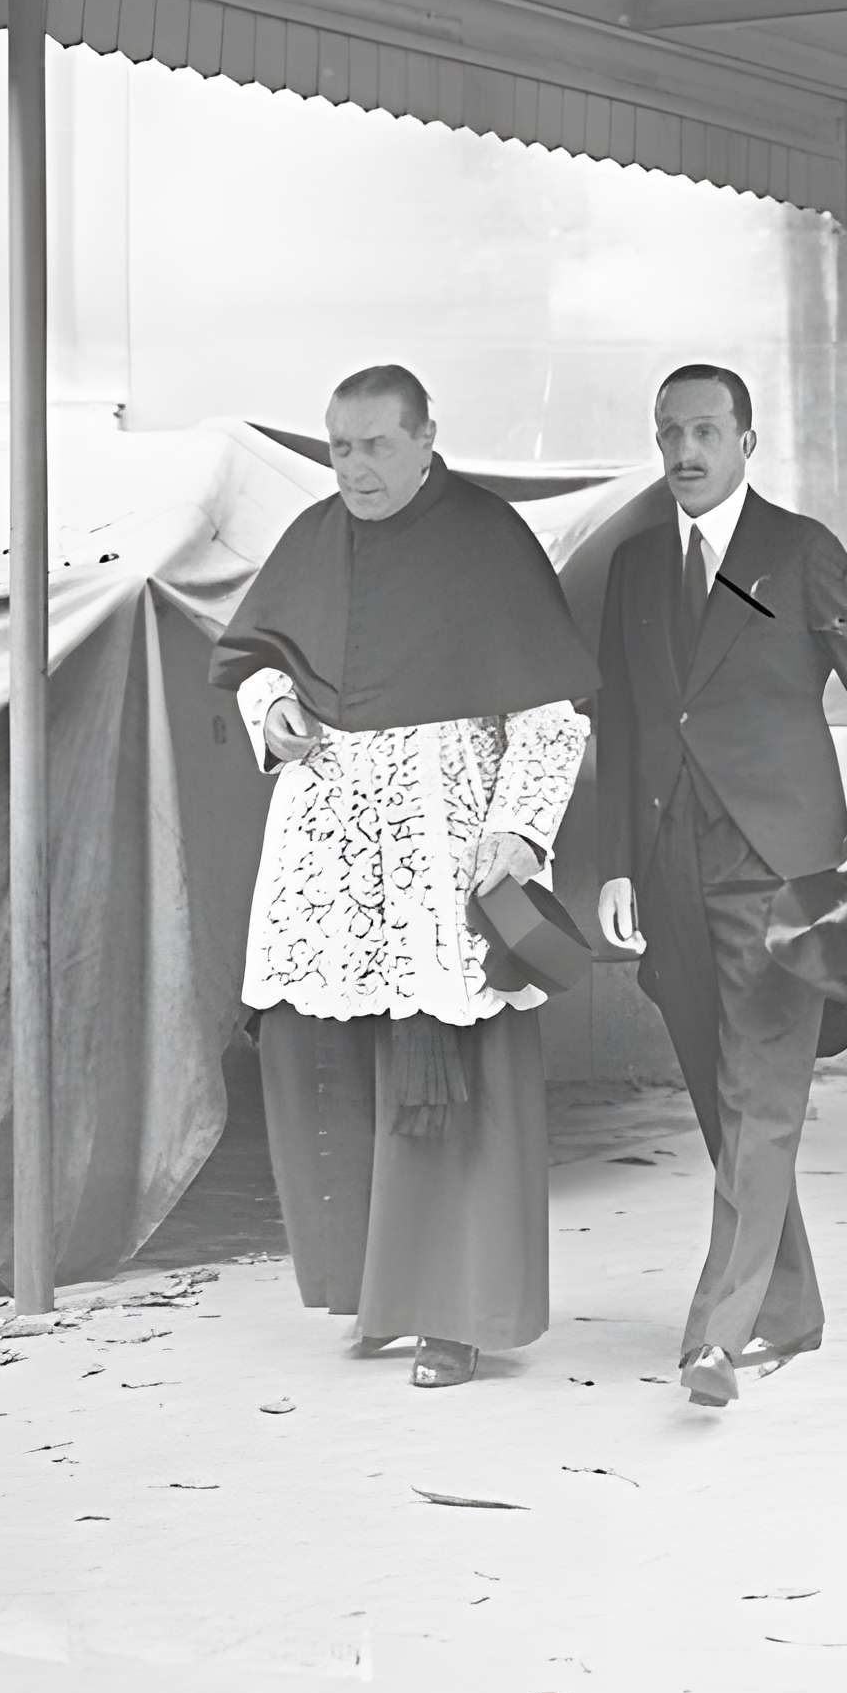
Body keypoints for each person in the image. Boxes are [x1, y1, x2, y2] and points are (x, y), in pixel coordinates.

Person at [213, 365, 597, 1391]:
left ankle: (454, 1314)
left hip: (446, 836)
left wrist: (518, 830)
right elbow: (249, 658)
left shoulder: (487, 538)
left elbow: (551, 712)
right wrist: (273, 708)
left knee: (451, 1080)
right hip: (332, 844)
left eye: (378, 444)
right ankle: (381, 1290)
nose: (356, 466)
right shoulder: (312, 536)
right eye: (340, 447)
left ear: (429, 439)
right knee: (324, 1061)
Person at [588, 364, 847, 1407]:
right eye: (668, 432)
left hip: (782, 874)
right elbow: (627, 724)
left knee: (761, 1098)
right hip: (668, 864)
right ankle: (788, 1306)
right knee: (721, 1102)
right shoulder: (637, 564)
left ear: (747, 440)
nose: (685, 451)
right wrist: (612, 863)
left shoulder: (802, 552)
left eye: (704, 430)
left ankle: (718, 1337)